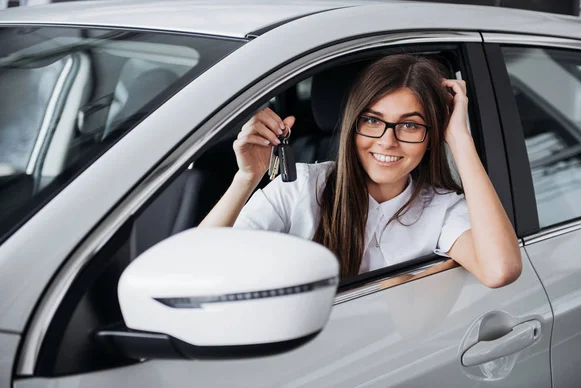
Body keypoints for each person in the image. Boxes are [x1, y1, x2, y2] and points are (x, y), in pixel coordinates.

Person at [200, 54, 522, 288]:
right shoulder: (300, 187)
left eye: (410, 125)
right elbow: (197, 267)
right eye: (372, 121)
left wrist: (460, 138)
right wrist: (246, 179)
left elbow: (500, 270)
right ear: (354, 124)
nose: (387, 141)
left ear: (432, 136)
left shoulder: (442, 208)